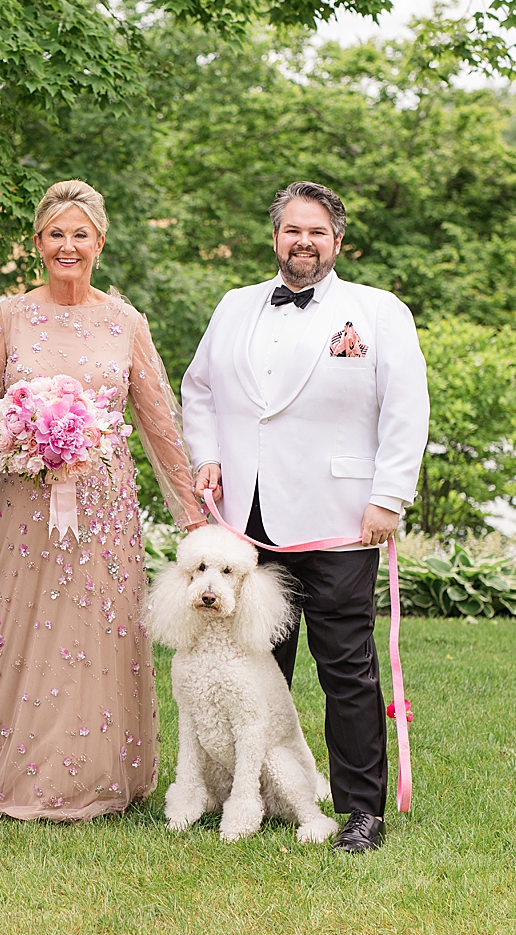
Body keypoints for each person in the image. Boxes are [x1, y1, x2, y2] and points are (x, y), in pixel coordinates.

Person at [181, 180, 429, 852]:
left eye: (317, 231)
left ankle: (360, 811)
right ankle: (256, 792)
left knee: (345, 666)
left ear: (337, 241)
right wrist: (206, 454)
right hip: (248, 524)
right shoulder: (234, 307)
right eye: (293, 230)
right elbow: (199, 387)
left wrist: (389, 496)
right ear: (276, 237)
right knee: (256, 666)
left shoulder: (377, 313)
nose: (304, 241)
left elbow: (406, 408)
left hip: (341, 518)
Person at [0, 180, 207, 820]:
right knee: (23, 628)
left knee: (96, 629)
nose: (69, 245)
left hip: (104, 503)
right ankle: (8, 772)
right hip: (28, 500)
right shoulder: (8, 316)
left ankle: (97, 774)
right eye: (56, 234)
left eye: (81, 234)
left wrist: (194, 511)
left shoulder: (126, 322)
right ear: (37, 243)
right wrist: (20, 431)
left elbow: (156, 421)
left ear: (100, 241)